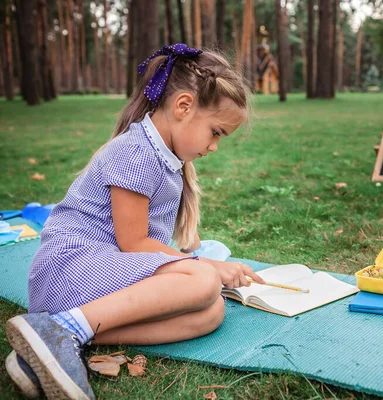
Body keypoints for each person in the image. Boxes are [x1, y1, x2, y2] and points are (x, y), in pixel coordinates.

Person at [4, 44, 264, 400]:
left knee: (211, 312)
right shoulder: (136, 152)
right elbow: (135, 244)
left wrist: (197, 255)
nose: (215, 146)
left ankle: (56, 337)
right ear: (183, 106)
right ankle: (61, 326)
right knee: (203, 278)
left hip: (96, 279)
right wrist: (209, 266)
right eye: (216, 132)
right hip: (68, 269)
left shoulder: (162, 156)